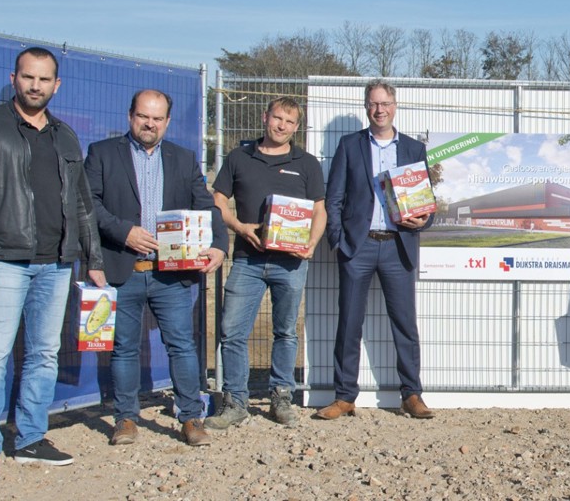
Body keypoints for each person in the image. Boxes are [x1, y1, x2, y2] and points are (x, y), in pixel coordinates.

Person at [0, 47, 107, 485]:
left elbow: (81, 204)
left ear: (58, 85)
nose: (35, 86)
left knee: (43, 355)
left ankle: (32, 437)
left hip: (56, 264)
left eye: (44, 79)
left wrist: (92, 260)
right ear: (14, 78)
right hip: (3, 260)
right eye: (28, 77)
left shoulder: (65, 136)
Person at [85, 89, 226, 447]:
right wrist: (124, 232)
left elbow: (207, 206)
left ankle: (191, 417)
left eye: (157, 118)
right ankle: (126, 418)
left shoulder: (183, 158)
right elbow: (88, 206)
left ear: (167, 121)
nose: (150, 124)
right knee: (124, 348)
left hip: (170, 274)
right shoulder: (102, 154)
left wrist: (219, 245)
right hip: (122, 268)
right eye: (143, 116)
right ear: (130, 115)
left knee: (181, 346)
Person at [206, 97, 326, 429]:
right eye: (277, 118)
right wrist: (239, 227)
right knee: (232, 333)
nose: (282, 126)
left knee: (286, 332)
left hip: (291, 263)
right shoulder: (238, 157)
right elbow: (218, 202)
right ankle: (234, 402)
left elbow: (319, 210)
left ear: (296, 127)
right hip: (247, 260)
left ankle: (281, 398)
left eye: (289, 121)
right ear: (265, 117)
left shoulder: (307, 163)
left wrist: (312, 243)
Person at [318, 79, 435, 420]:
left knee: (405, 325)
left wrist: (423, 222)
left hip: (398, 247)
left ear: (394, 106)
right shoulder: (350, 145)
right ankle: (344, 397)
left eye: (384, 103)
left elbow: (426, 203)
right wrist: (339, 242)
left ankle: (411, 395)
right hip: (359, 248)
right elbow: (334, 198)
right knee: (349, 324)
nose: (379, 109)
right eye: (373, 103)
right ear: (366, 106)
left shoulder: (413, 149)